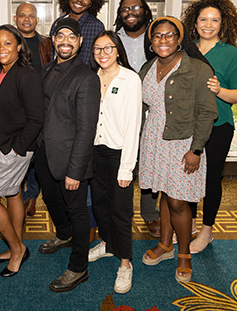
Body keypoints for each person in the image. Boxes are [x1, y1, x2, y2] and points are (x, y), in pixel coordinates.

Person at [139, 17, 218, 283]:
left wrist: (196, 150)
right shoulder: (147, 68)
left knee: (177, 200)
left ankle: (184, 253)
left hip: (183, 143)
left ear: (179, 38)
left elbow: (207, 112)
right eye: (157, 36)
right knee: (164, 192)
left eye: (169, 35)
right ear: (151, 42)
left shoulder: (197, 69)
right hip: (154, 140)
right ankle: (164, 245)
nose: (163, 40)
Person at [36, 17, 100, 292]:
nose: (65, 41)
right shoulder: (47, 69)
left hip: (71, 158)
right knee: (51, 199)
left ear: (80, 42)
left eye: (71, 37)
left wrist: (75, 171)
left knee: (77, 211)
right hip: (44, 153)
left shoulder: (86, 77)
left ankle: (78, 267)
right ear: (53, 40)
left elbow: (87, 129)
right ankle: (63, 235)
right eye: (60, 36)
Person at [182, 0, 237, 253]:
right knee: (188, 177)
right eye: (203, 19)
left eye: (215, 20)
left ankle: (206, 231)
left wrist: (219, 90)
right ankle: (188, 226)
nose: (208, 25)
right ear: (194, 22)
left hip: (219, 126)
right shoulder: (187, 50)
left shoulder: (231, 54)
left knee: (210, 180)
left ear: (223, 24)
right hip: (190, 125)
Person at [0, 24, 44, 277]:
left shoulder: (26, 74)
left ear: (19, 46)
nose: (1, 48)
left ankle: (17, 249)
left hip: (11, 147)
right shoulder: (2, 71)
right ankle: (16, 243)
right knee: (13, 192)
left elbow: (36, 118)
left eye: (7, 43)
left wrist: (17, 149)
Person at [88, 31, 142, 294]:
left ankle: (125, 262)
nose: (103, 53)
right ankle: (108, 244)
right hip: (95, 153)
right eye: (98, 49)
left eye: (108, 48)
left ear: (118, 50)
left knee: (121, 210)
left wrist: (127, 167)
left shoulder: (130, 79)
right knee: (100, 204)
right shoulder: (92, 77)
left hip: (120, 154)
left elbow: (134, 125)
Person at [114, 0, 160, 238]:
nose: (130, 12)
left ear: (145, 10)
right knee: (120, 164)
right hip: (118, 109)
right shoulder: (114, 39)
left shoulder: (157, 37)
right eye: (125, 9)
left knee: (147, 164)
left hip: (148, 109)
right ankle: (118, 214)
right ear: (120, 14)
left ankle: (150, 215)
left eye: (135, 7)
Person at [13, 2, 51, 216]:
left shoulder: (46, 44)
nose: (26, 19)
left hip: (38, 108)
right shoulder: (7, 42)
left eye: (31, 16)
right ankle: (15, 195)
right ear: (15, 19)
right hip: (14, 109)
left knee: (36, 156)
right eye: (22, 15)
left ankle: (32, 196)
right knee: (16, 154)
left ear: (37, 20)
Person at [49, 0, 105, 67]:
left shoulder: (95, 26)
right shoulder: (58, 22)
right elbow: (53, 56)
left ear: (92, 3)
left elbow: (91, 62)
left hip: (81, 80)